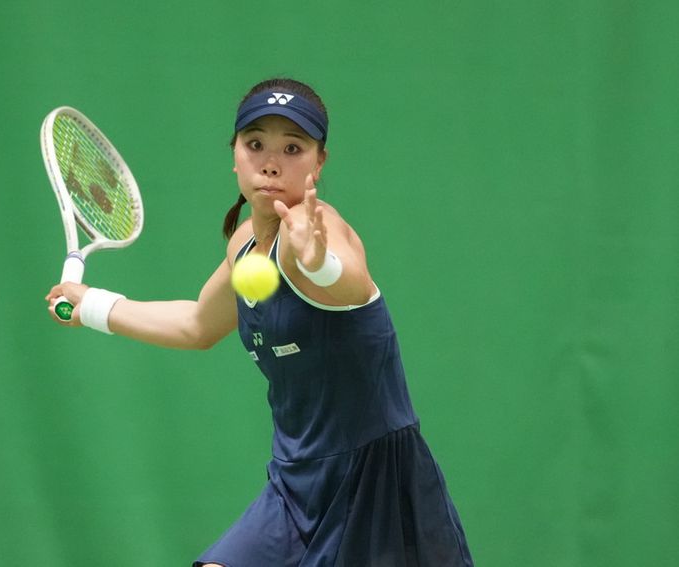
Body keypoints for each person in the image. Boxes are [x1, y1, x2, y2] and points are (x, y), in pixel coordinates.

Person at [45, 78, 473, 567]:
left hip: (374, 488)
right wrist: (92, 305)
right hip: (294, 486)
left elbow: (353, 286)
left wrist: (318, 262)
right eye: (255, 145)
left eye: (293, 148)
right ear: (235, 155)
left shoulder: (319, 231)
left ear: (319, 162)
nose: (271, 163)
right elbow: (197, 324)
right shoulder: (245, 244)